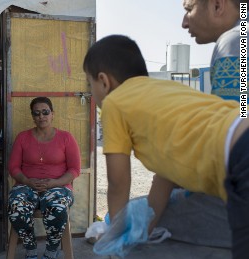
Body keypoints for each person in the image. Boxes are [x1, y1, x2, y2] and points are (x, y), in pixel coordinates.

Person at [83, 35, 249, 258]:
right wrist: (144, 230)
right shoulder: (165, 93)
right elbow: (165, 179)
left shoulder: (115, 103)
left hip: (238, 155)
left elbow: (118, 182)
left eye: (89, 84)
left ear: (104, 82)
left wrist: (116, 236)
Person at [8, 97, 81, 259]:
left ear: (52, 114)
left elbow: (75, 169)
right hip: (26, 185)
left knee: (58, 207)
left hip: (59, 186)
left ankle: (51, 251)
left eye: (45, 112)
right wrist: (27, 181)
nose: (41, 116)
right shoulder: (22, 137)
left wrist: (55, 182)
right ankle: (31, 250)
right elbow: (13, 167)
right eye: (37, 113)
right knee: (16, 206)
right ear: (33, 116)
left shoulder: (66, 138)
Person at [182, 0, 246, 100]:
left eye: (189, 10)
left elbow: (235, 115)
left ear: (217, 6)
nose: (184, 24)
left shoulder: (236, 39)